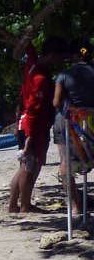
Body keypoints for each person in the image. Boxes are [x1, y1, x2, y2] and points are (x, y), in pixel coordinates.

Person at [8, 38, 68, 213]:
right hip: (33, 126)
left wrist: (28, 39)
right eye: (59, 58)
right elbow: (34, 109)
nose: (60, 62)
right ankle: (25, 206)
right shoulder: (40, 78)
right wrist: (30, 137)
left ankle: (13, 205)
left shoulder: (32, 64)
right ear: (51, 55)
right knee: (30, 166)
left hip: (26, 123)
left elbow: (30, 50)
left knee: (24, 165)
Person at [53, 38, 94, 215]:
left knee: (65, 164)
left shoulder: (64, 75)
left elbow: (56, 101)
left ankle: (76, 205)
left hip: (70, 124)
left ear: (74, 55)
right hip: (92, 122)